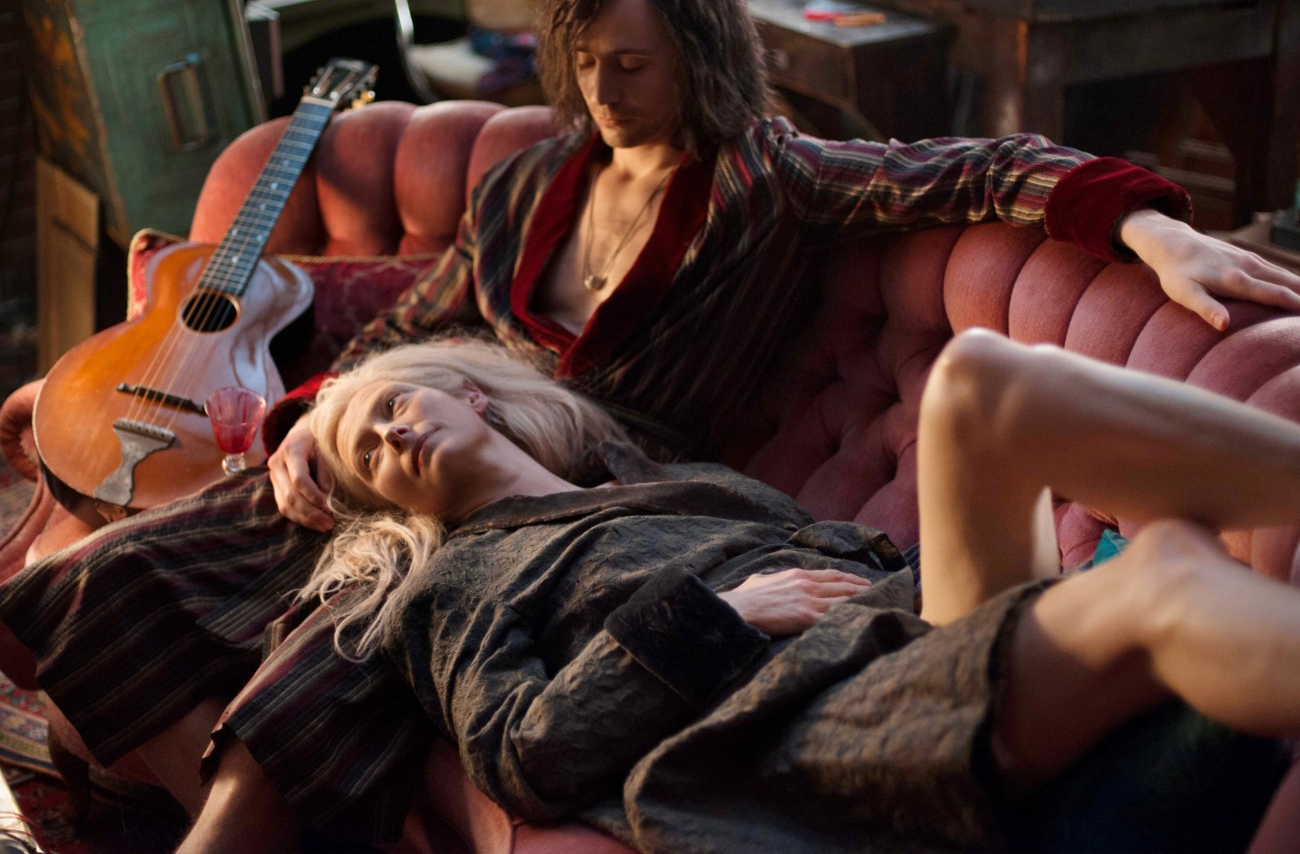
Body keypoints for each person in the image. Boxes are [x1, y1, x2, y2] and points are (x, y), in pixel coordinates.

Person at [5, 0, 1300, 850]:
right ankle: (138, 796)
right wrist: (310, 419)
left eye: (633, 65)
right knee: (98, 575)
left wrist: (1143, 222)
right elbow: (416, 323)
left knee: (323, 670)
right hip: (437, 468)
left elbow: (956, 168)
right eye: (584, 62)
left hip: (590, 497)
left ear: (698, 54)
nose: (603, 88)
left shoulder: (760, 180)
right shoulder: (529, 184)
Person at [208, 332, 1300, 853]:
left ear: (466, 395)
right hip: (806, 726)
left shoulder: (657, 476)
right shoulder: (454, 587)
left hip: (905, 629)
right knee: (1168, 573)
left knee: (981, 376)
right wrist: (719, 617)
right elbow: (521, 751)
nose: (391, 434)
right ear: (387, 502)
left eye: (394, 405)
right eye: (368, 454)